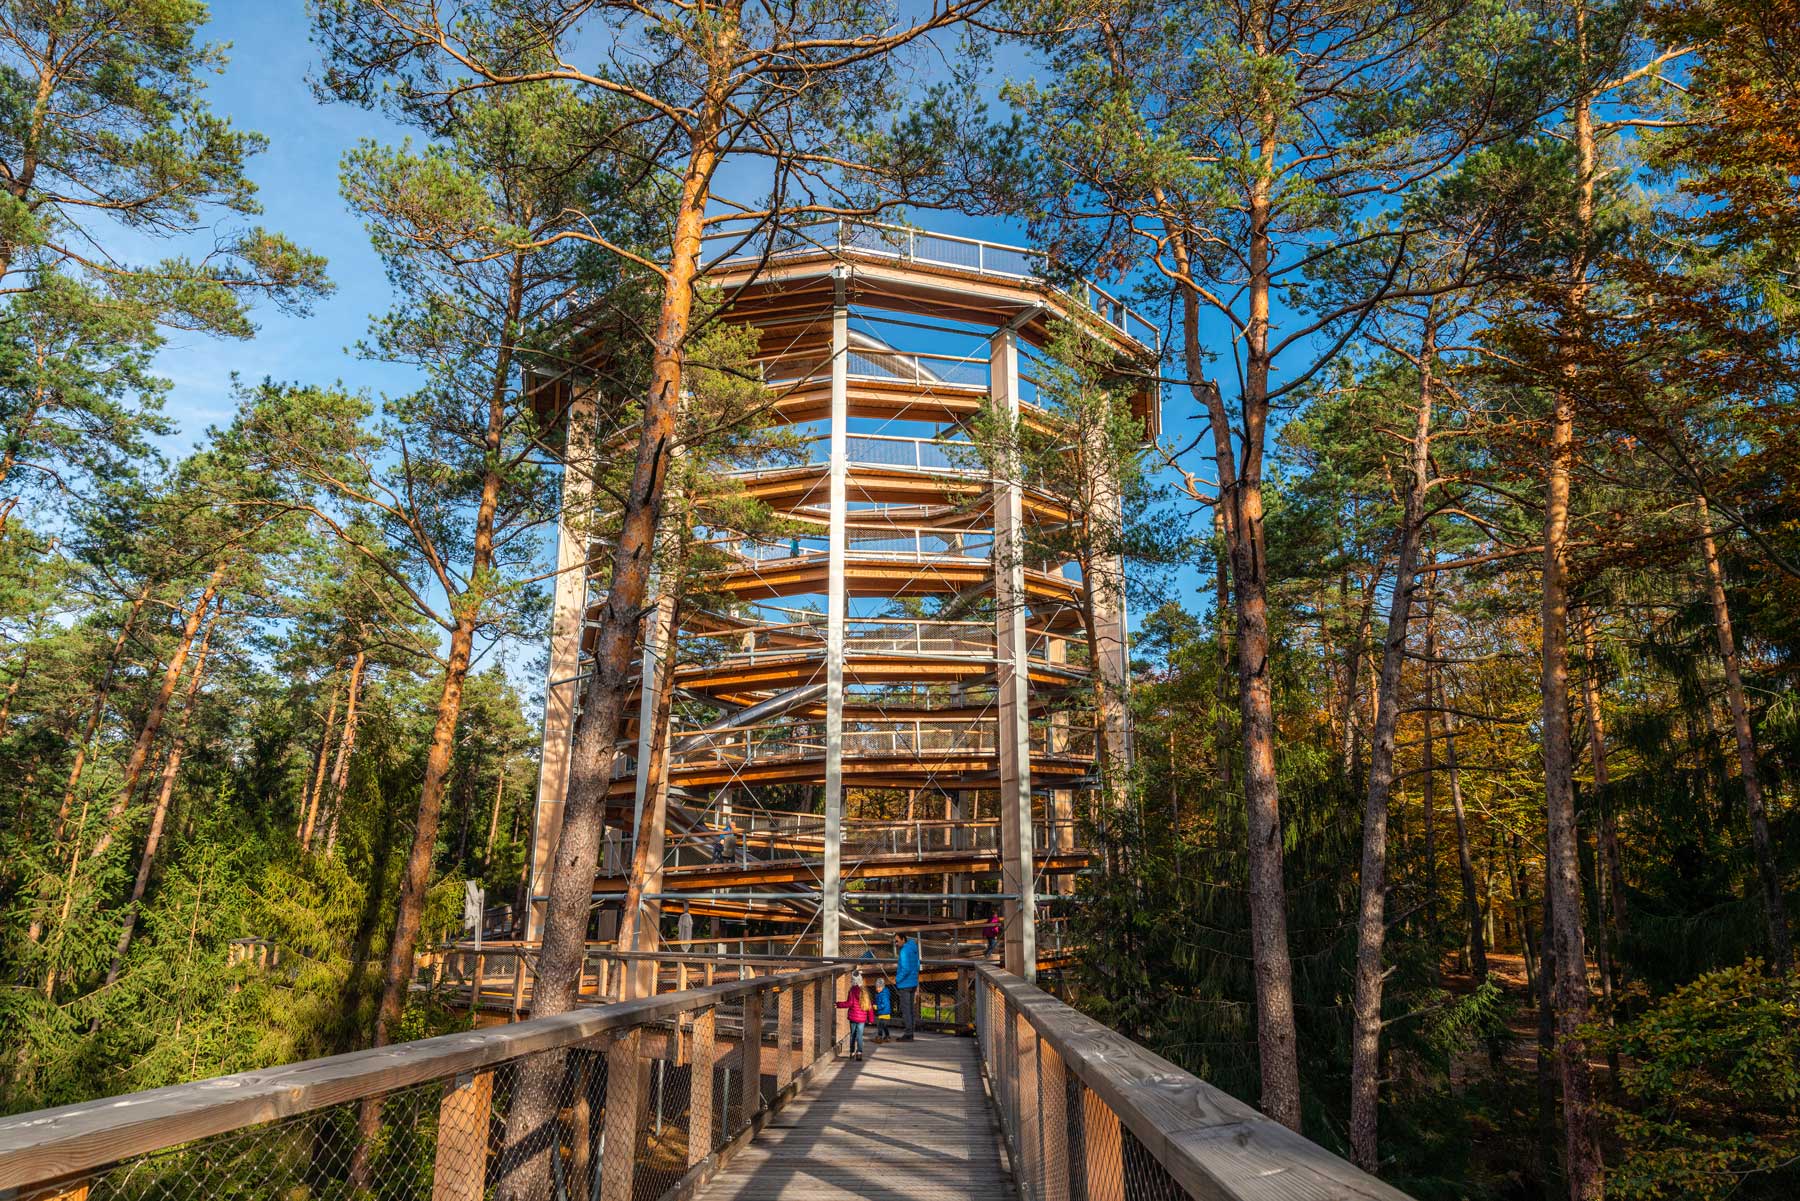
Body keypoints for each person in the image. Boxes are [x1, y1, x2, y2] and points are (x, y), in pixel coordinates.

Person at [836, 969, 875, 1060]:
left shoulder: (852, 991)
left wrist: (838, 1004)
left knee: (853, 1034)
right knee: (860, 1036)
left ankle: (852, 1052)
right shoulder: (865, 992)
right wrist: (870, 1019)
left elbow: (849, 1003)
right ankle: (860, 1052)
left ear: (852, 981)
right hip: (861, 1019)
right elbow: (869, 1007)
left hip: (853, 1017)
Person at [893, 932, 920, 1040]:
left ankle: (908, 1033)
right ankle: (911, 1032)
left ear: (903, 939)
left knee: (906, 1010)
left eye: (897, 941)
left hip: (905, 984)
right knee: (911, 1009)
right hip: (913, 983)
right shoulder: (913, 948)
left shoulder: (904, 951)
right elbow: (917, 965)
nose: (896, 943)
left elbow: (905, 969)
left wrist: (897, 979)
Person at [872, 975, 894, 1042]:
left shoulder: (884, 994)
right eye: (876, 987)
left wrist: (877, 1007)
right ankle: (887, 1036)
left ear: (882, 987)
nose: (877, 989)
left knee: (880, 1026)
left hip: (884, 1013)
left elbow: (884, 1004)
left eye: (879, 987)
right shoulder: (880, 993)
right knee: (884, 1026)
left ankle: (879, 1036)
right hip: (882, 1013)